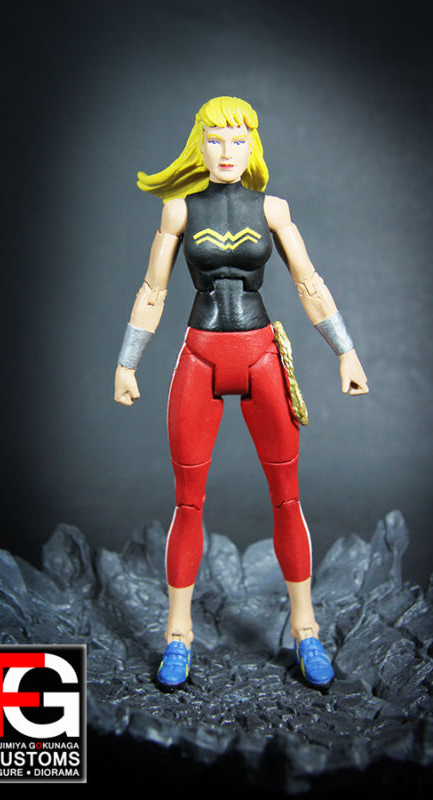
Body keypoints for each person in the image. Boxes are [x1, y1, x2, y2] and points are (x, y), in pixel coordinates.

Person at [114, 96, 368, 691]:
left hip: (260, 356)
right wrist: (127, 362)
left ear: (252, 146)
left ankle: (305, 628)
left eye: (238, 139)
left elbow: (308, 282)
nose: (226, 151)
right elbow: (152, 291)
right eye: (215, 139)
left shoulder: (272, 208)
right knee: (187, 502)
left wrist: (346, 349)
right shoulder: (179, 210)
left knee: (287, 497)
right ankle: (178, 634)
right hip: (200, 355)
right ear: (198, 145)